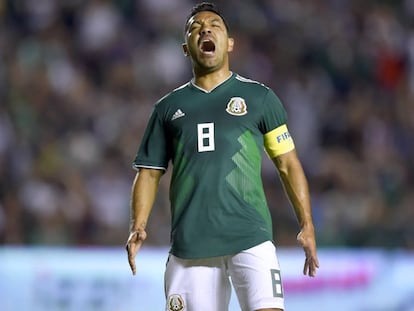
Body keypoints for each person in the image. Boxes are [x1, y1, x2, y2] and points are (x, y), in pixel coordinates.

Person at [126, 2, 319, 311]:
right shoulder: (167, 109)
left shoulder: (259, 98)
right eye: (195, 27)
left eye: (214, 24)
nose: (205, 29)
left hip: (250, 235)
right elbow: (149, 172)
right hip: (191, 245)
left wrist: (306, 224)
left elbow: (287, 163)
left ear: (229, 43)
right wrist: (139, 225)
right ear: (185, 48)